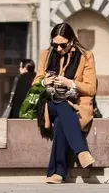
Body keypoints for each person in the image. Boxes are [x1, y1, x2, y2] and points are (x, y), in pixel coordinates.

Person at [35, 22, 98, 184]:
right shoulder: (46, 55)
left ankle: (56, 173)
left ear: (71, 41)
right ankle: (82, 151)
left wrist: (69, 83)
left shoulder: (86, 56)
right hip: (48, 103)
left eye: (63, 45)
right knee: (60, 106)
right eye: (54, 45)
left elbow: (91, 88)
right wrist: (44, 82)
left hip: (74, 104)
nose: (58, 49)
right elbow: (36, 82)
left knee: (61, 119)